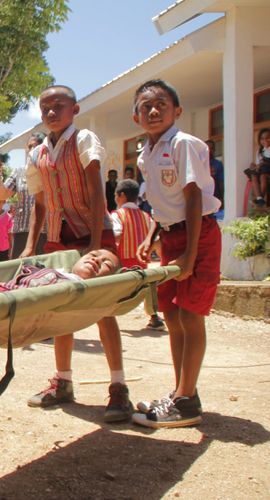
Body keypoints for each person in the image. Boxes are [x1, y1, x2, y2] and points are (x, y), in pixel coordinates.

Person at [0, 85, 132, 423]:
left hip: (91, 232)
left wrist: (96, 243)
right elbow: (40, 204)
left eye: (58, 106)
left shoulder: (83, 140)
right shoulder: (38, 153)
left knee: (103, 307)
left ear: (75, 109)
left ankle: (118, 386)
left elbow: (97, 192)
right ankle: (63, 380)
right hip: (57, 237)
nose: (51, 113)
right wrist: (29, 246)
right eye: (45, 108)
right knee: (61, 308)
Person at [131, 79, 222, 429]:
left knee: (190, 315)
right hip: (171, 237)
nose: (154, 111)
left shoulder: (184, 144)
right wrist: (154, 234)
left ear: (177, 111)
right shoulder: (145, 153)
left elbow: (194, 197)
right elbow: (159, 201)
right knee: (170, 314)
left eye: (161, 104)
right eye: (146, 106)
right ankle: (183, 392)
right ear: (136, 116)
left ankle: (184, 402)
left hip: (197, 233)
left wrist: (190, 253)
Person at [111, 179, 165, 331]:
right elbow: (156, 239)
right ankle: (154, 317)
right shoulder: (146, 216)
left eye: (116, 195)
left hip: (122, 265)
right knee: (148, 286)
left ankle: (107, 317)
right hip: (141, 264)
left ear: (121, 195)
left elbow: (116, 235)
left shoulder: (117, 215)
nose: (115, 198)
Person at [0, 132, 47, 259]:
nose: (31, 150)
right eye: (29, 147)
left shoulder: (50, 170)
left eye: (35, 147)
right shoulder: (19, 171)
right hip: (21, 231)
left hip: (44, 231)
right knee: (19, 272)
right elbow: (2, 196)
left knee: (42, 273)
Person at [246, 128, 270, 207]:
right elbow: (258, 163)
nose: (265, 140)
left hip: (267, 171)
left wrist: (262, 164)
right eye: (262, 139)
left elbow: (264, 163)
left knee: (263, 177)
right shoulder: (260, 151)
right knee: (253, 174)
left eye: (267, 138)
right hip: (262, 170)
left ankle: (260, 198)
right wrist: (254, 165)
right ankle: (259, 198)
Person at [205, 140, 224, 209]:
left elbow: (221, 182)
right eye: (207, 148)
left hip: (215, 193)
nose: (209, 150)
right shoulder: (197, 163)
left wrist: (222, 198)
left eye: (211, 148)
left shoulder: (218, 164)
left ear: (214, 150)